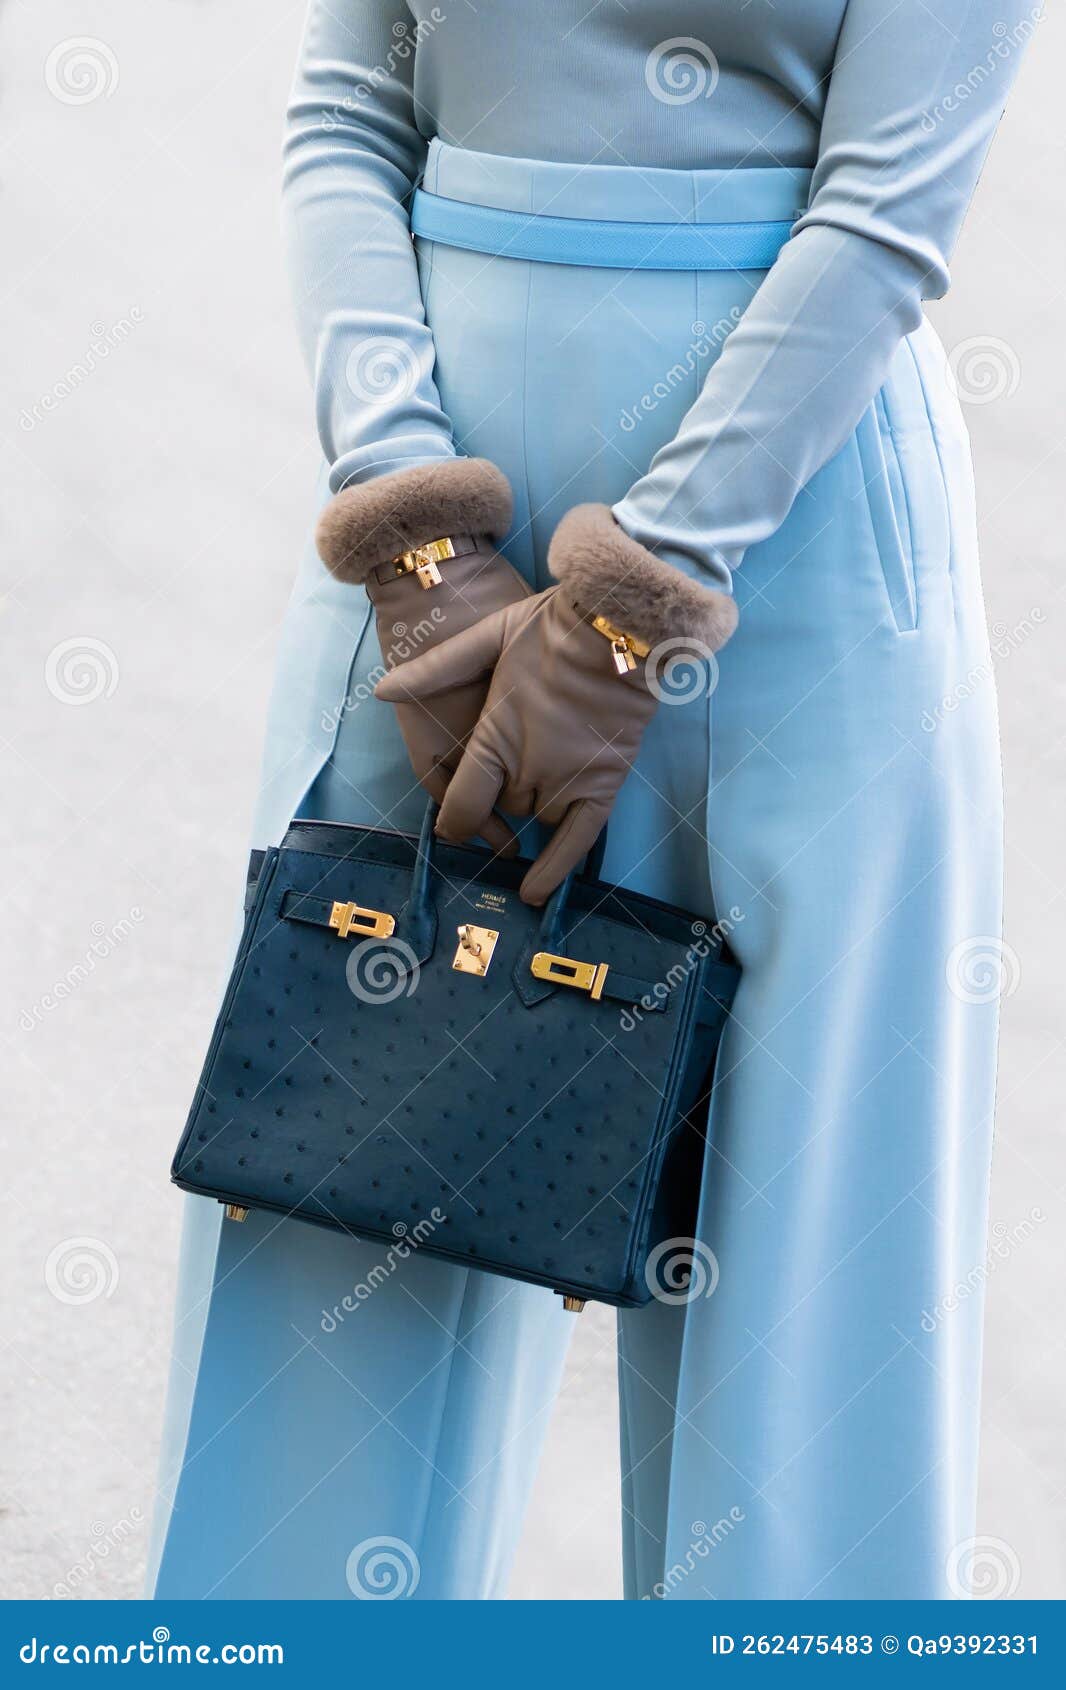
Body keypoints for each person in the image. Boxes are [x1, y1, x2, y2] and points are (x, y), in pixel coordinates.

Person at [149, 1, 1037, 1599]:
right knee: (333, 1195)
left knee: (805, 1296)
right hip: (424, 539)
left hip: (796, 540)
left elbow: (887, 205)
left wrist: (639, 598)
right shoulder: (413, 547)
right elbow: (345, 115)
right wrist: (412, 532)